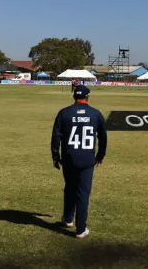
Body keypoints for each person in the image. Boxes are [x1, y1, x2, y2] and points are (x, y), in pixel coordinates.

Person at [51, 85, 107, 239]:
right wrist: (100, 156)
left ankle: (68, 219)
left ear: (74, 96)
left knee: (69, 189)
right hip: (87, 161)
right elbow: (103, 137)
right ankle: (80, 229)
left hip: (68, 159)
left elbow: (56, 136)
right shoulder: (95, 114)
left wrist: (55, 156)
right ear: (87, 97)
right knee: (83, 194)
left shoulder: (64, 113)